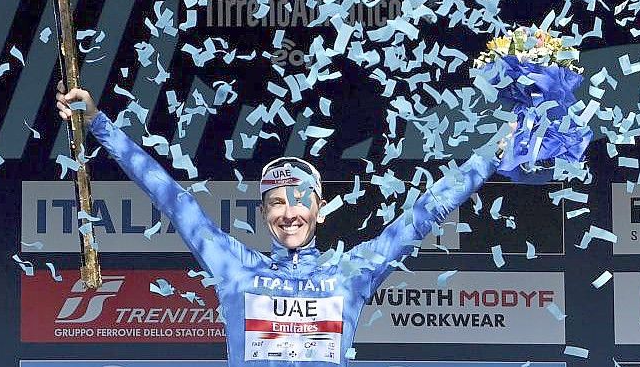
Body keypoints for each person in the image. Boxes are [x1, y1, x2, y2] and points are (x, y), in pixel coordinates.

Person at [55, 81, 514, 367]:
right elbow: (173, 200)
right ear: (264, 213)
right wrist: (99, 124)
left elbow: (423, 214)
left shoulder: (350, 272)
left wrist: (491, 154)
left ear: (318, 207)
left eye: (299, 200)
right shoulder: (235, 267)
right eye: (276, 202)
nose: (288, 212)